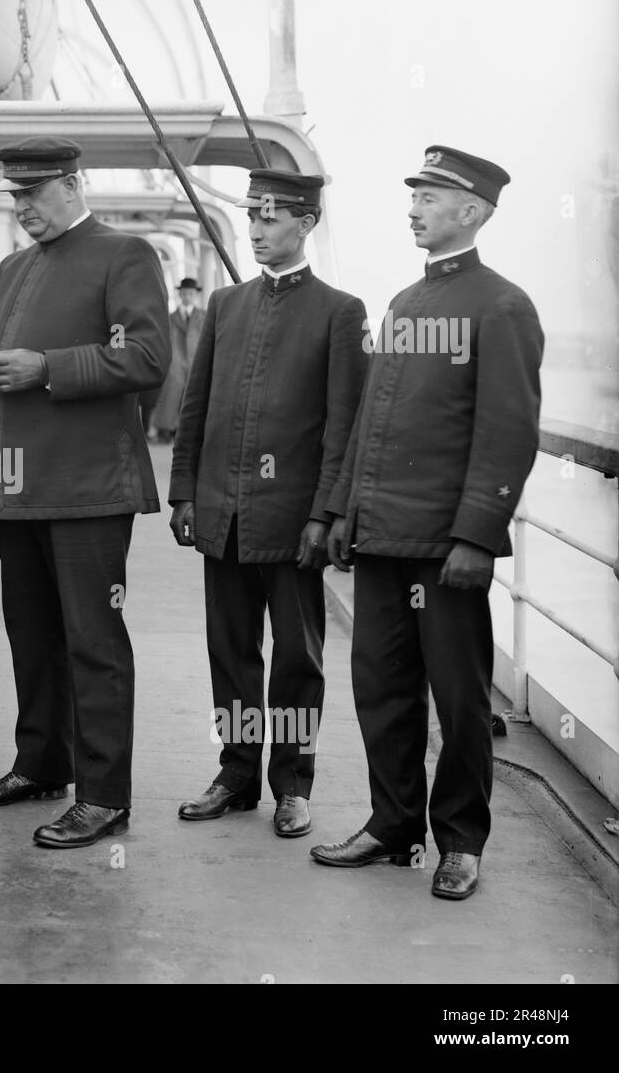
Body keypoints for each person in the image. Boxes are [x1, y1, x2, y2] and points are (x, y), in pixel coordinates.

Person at [0, 137, 169, 848]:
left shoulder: (124, 255)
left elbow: (146, 357)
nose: (22, 209)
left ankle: (105, 794)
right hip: (16, 489)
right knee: (34, 636)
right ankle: (44, 762)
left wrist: (48, 366)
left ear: (75, 185)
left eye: (34, 194)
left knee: (94, 642)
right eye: (15, 197)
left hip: (88, 490)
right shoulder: (16, 267)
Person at [311, 146, 544, 900]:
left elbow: (507, 432)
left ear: (471, 211)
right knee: (380, 687)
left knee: (460, 696)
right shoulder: (405, 304)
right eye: (414, 196)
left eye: (430, 198)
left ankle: (462, 840)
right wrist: (346, 507)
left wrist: (479, 534)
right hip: (382, 538)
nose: (412, 209)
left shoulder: (502, 306)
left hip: (447, 549)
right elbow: (372, 419)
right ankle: (392, 823)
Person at [169, 170, 368, 839]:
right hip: (221, 515)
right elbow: (196, 408)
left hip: (291, 524)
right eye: (252, 214)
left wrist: (325, 514)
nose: (256, 228)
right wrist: (185, 493)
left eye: (272, 217)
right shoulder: (227, 306)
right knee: (230, 652)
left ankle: (292, 782)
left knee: (295, 658)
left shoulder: (340, 312)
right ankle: (235, 772)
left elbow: (343, 426)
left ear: (306, 223)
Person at [149, 277, 204, 443]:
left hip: (196, 360)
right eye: (185, 293)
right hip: (176, 361)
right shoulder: (170, 317)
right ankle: (166, 429)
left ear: (195, 295)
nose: (187, 296)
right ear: (180, 295)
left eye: (191, 294)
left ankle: (191, 432)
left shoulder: (203, 315)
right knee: (171, 396)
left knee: (194, 398)